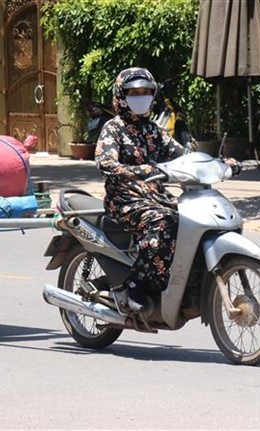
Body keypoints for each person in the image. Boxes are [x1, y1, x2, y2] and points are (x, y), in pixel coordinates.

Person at [94, 67, 188, 314]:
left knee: (188, 218)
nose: (141, 96)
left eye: (146, 91)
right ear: (121, 95)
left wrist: (218, 163)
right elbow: (106, 163)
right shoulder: (114, 128)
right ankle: (134, 285)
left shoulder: (154, 131)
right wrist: (141, 170)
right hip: (124, 199)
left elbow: (183, 156)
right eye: (134, 92)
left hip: (155, 197)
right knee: (163, 222)